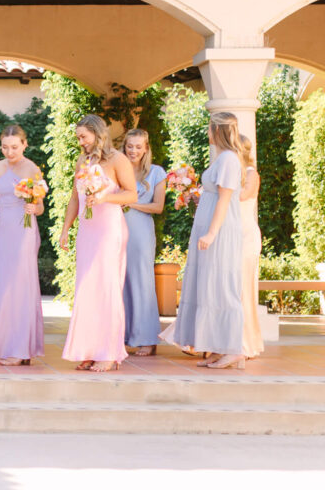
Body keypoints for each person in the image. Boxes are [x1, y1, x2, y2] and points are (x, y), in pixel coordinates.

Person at [160, 112, 245, 370]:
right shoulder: (221, 159)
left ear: (216, 130)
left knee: (222, 287)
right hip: (208, 227)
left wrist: (211, 232)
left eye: (209, 128)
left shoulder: (229, 159)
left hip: (220, 232)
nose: (207, 132)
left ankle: (234, 348)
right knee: (209, 286)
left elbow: (224, 199)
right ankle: (218, 346)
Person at [58, 115, 138, 372]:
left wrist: (104, 196)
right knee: (87, 288)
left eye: (84, 136)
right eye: (78, 137)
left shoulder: (118, 160)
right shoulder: (83, 160)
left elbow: (132, 194)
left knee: (106, 287)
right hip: (87, 231)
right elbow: (74, 197)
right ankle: (90, 349)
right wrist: (65, 230)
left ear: (97, 133)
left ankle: (109, 352)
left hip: (109, 229)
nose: (80, 142)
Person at [0, 125, 45, 366]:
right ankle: (11, 345)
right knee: (5, 287)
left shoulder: (32, 169)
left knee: (21, 286)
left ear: (24, 144)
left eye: (14, 147)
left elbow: (40, 206)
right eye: (5, 147)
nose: (9, 152)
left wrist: (35, 208)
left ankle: (21, 349)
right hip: (4, 230)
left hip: (24, 230)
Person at [121, 128, 166, 356]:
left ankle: (147, 338)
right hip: (117, 229)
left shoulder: (157, 172)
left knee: (142, 283)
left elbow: (158, 207)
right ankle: (125, 335)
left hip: (141, 232)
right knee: (120, 283)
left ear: (146, 148)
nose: (134, 151)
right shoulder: (118, 168)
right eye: (130, 146)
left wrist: (131, 203)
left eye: (138, 147)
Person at [239, 134, 264, 359]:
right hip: (232, 236)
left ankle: (247, 343)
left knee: (244, 290)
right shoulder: (233, 174)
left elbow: (244, 195)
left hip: (246, 236)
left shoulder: (249, 173)